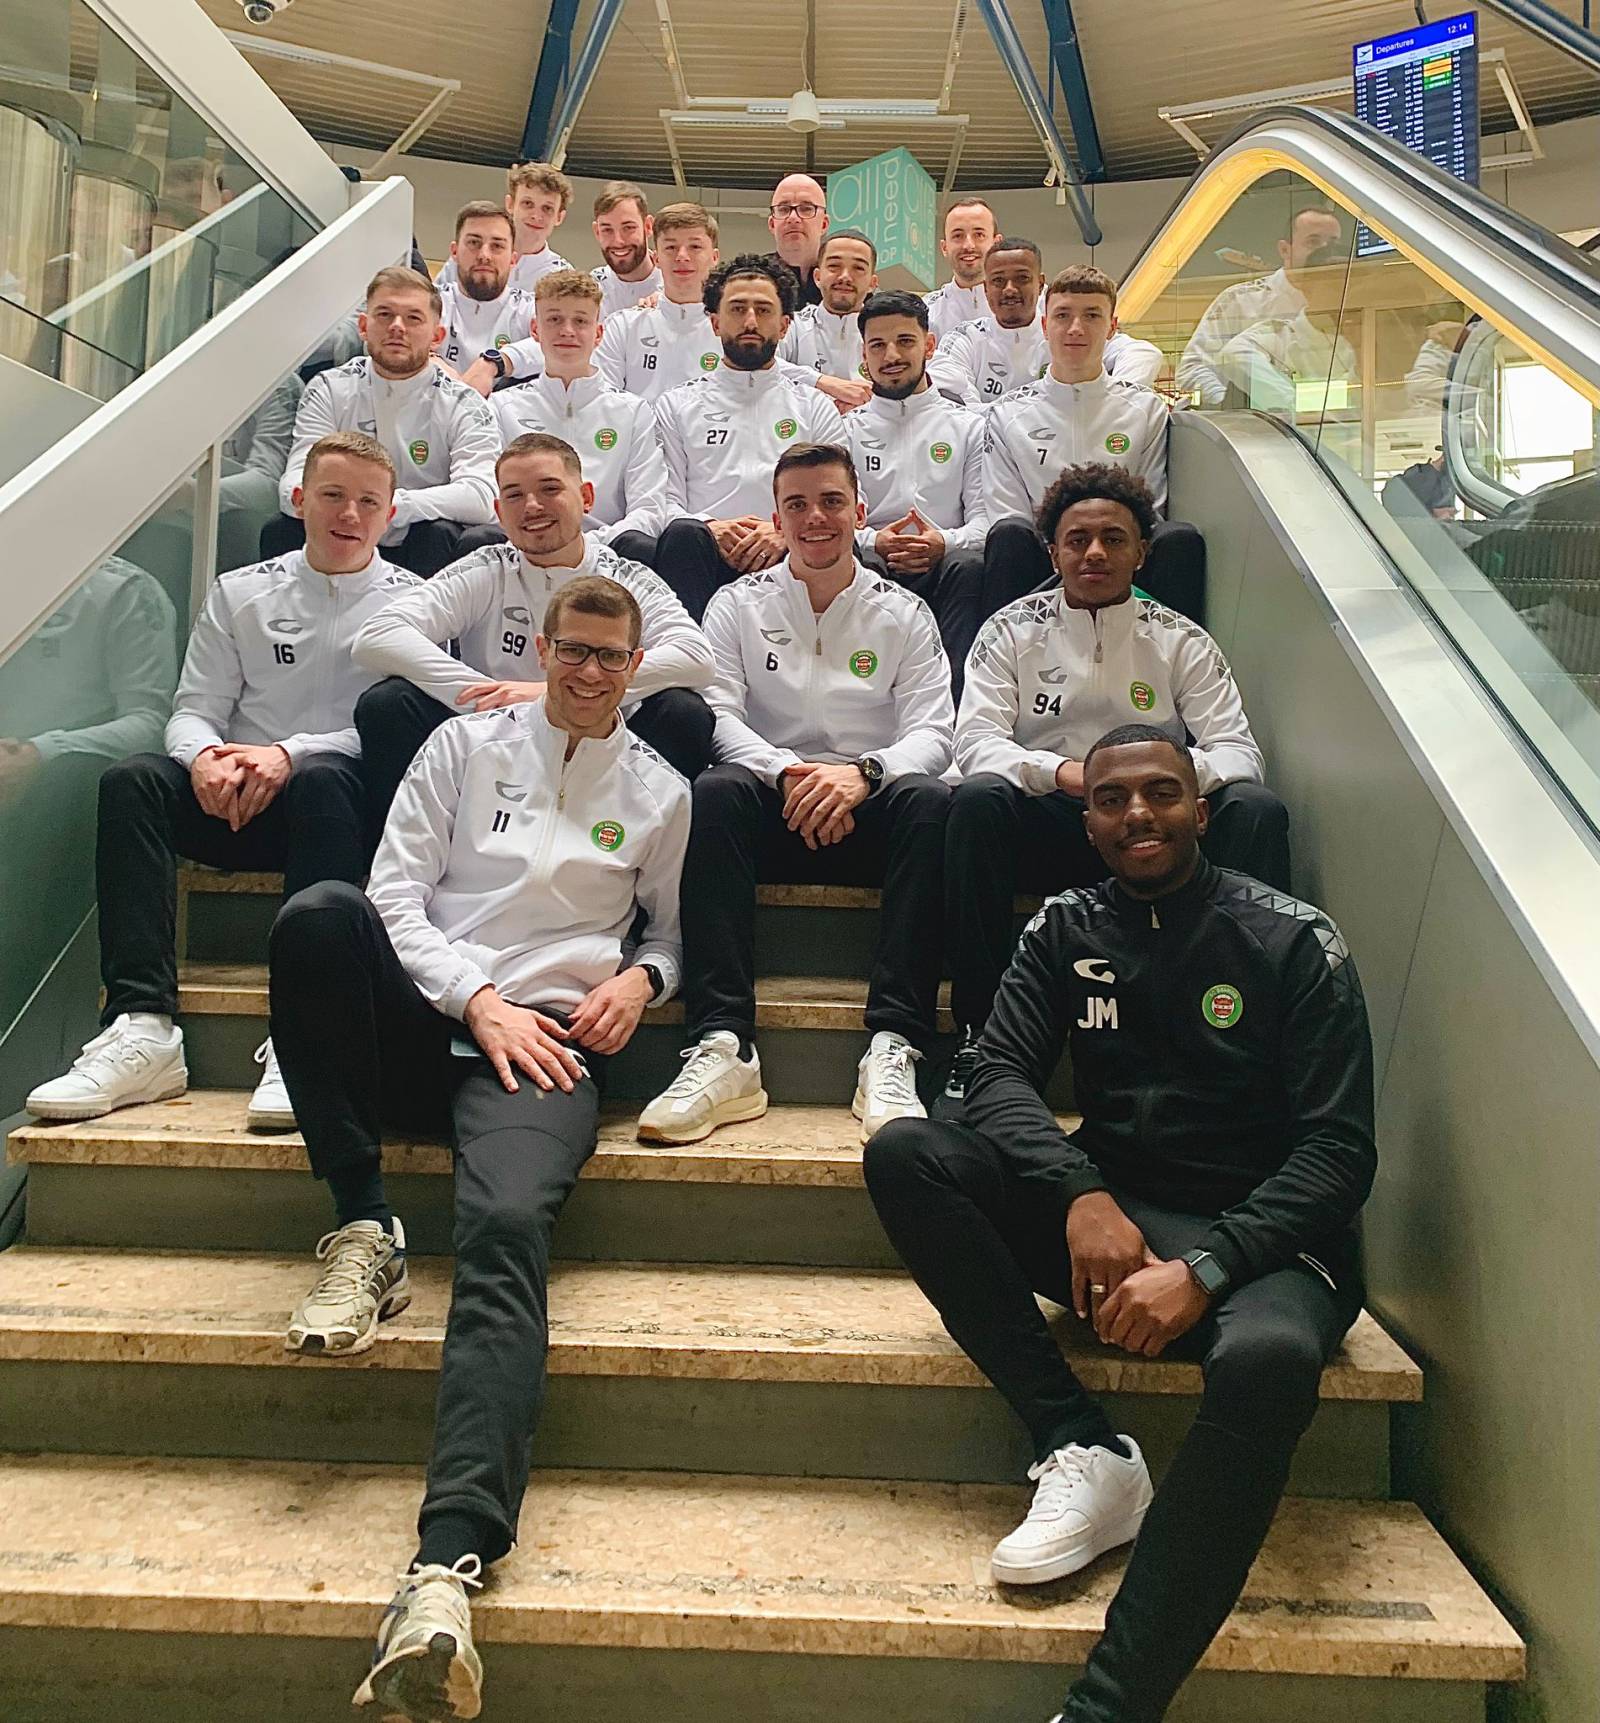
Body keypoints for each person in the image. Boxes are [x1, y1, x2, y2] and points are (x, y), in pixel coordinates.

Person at [864, 721, 1375, 1723]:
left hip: (1267, 1240)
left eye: (1160, 792)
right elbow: (991, 1074)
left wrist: (1209, 1266)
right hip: (1116, 1222)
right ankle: (1081, 1444)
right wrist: (1079, 1192)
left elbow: (1338, 1153)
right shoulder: (1066, 927)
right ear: (1087, 822)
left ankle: (1108, 1708)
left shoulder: (1291, 939)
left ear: (1201, 810)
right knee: (907, 1153)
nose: (1137, 812)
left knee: (1270, 1361)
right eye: (1111, 799)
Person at [270, 577, 689, 1722]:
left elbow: (671, 933)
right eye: (572, 650)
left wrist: (644, 980)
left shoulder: (660, 791)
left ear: (635, 665)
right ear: (542, 649)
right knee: (317, 917)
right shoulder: (461, 746)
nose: (588, 672)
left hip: (543, 1049)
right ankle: (365, 1220)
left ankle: (445, 1566)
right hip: (428, 1015)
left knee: (505, 1226)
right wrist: (476, 996)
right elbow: (392, 895)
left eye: (609, 656)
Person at [26, 433, 420, 1133]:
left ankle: (301, 1040)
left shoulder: (416, 604)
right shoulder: (241, 591)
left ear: (389, 515)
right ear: (298, 499)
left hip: (338, 813)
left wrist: (289, 754)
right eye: (332, 495)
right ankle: (142, 1026)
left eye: (368, 502)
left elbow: (403, 731)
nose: (349, 514)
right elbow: (192, 708)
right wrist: (205, 757)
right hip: (234, 800)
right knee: (132, 781)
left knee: (325, 778)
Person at [941, 462, 1288, 1113]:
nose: (1094, 552)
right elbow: (975, 742)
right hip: (1054, 816)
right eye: (1077, 540)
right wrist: (1068, 775)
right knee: (976, 799)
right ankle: (979, 1039)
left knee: (1255, 809)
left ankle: (1252, 1040)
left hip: (1151, 835)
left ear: (1141, 553)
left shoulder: (1181, 639)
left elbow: (1239, 753)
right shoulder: (1008, 631)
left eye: (1112, 538)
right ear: (1053, 553)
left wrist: (1151, 789)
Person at [636, 443, 952, 1149]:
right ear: (776, 520)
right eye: (797, 505)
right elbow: (719, 715)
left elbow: (935, 730)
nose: (815, 518)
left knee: (932, 802)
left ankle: (893, 1045)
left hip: (871, 808)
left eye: (832, 501)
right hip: (771, 802)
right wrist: (788, 773)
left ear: (860, 513)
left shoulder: (904, 613)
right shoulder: (735, 604)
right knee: (714, 789)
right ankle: (724, 1043)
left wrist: (863, 775)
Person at [353, 431, 713, 817]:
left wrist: (547, 695)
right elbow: (378, 636)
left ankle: (638, 841)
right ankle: (405, 845)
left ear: (586, 497)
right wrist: (486, 697)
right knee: (388, 703)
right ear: (498, 510)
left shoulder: (625, 575)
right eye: (514, 495)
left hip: (600, 740)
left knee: (684, 712)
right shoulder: (487, 568)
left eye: (549, 489)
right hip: (494, 738)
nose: (532, 506)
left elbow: (696, 656)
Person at [0, 558, 177, 1033]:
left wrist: (40, 754)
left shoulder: (126, 590)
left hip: (64, 777)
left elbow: (151, 722)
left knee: (79, 786)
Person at [980, 265, 1204, 620]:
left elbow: (1150, 509)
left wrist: (1102, 554)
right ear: (1045, 325)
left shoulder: (1145, 410)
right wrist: (1067, 558)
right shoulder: (1006, 415)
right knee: (1008, 534)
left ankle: (1176, 649)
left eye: (1091, 316)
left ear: (1112, 327)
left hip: (1120, 562)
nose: (1075, 328)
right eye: (1063, 316)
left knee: (1178, 537)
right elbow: (1006, 512)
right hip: (1042, 564)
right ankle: (1004, 648)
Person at [271, 268, 499, 578]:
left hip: (417, 543)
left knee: (440, 532)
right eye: (385, 315)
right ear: (363, 327)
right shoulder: (329, 388)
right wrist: (345, 505)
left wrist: (386, 507)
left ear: (437, 336)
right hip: (338, 530)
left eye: (413, 318)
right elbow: (296, 479)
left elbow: (481, 495)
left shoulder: (464, 403)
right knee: (282, 528)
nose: (397, 327)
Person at [651, 254, 839, 619]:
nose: (750, 321)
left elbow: (844, 495)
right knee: (682, 534)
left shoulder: (815, 406)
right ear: (715, 322)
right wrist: (711, 528)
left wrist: (784, 531)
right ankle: (687, 653)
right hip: (705, 556)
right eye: (737, 309)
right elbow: (663, 500)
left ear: (784, 326)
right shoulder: (676, 405)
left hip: (790, 553)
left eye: (763, 310)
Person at [845, 289, 988, 684]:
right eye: (878, 345)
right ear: (864, 355)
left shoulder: (970, 427)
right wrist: (877, 541)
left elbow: (985, 521)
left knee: (970, 566)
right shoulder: (847, 431)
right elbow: (844, 524)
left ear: (929, 345)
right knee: (859, 563)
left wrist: (943, 541)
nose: (891, 355)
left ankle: (958, 700)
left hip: (947, 566)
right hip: (876, 564)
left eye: (905, 341)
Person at [491, 270, 668, 562]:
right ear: (535, 329)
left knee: (640, 544)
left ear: (598, 333)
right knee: (479, 538)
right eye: (554, 319)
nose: (567, 331)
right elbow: (492, 500)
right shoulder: (501, 407)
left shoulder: (634, 412)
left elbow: (648, 509)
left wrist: (583, 545)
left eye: (581, 321)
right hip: (524, 550)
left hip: (608, 553)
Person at [1176, 204, 1347, 407]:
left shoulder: (1350, 303)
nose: (1324, 252)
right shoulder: (1239, 301)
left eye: (1332, 243)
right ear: (1285, 249)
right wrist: (1230, 406)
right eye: (1313, 242)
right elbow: (1193, 368)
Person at [594, 202, 724, 403]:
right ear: (656, 259)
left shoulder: (732, 332)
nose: (682, 256)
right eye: (671, 247)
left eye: (695, 247)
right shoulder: (622, 328)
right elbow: (604, 402)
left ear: (714, 257)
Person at [435, 202, 542, 396]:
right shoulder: (432, 302)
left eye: (497, 246)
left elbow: (558, 345)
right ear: (454, 252)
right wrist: (430, 361)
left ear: (513, 259)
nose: (484, 255)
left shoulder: (529, 308)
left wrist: (495, 362)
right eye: (474, 243)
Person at [778, 228, 878, 412]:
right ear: (817, 277)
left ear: (873, 283)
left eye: (858, 268)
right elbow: (765, 364)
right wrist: (823, 382)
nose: (845, 277)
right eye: (834, 266)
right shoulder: (793, 324)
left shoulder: (885, 332)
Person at [436, 161, 572, 295]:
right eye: (527, 203)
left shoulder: (563, 277)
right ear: (510, 204)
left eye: (547, 208)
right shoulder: (469, 256)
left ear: (559, 217)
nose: (536, 216)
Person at [218, 371, 304, 572]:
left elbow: (270, 486)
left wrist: (191, 494)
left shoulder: (279, 384)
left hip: (249, 538)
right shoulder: (187, 385)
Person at [924, 197, 999, 343]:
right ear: (944, 247)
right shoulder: (925, 311)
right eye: (958, 236)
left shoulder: (1031, 303)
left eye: (979, 235)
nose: (968, 245)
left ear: (996, 243)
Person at [591, 180, 662, 317]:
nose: (618, 241)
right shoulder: (590, 290)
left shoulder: (674, 286)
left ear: (648, 226)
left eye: (628, 228)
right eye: (607, 230)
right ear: (597, 232)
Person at [767, 172, 828, 307]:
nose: (793, 218)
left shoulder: (841, 281)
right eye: (784, 209)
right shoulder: (752, 279)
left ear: (824, 224)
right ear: (772, 224)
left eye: (806, 209)